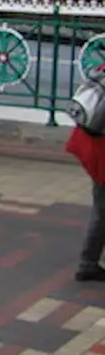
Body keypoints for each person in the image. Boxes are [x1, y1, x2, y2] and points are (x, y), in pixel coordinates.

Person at [67, 119, 105, 282]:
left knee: (101, 211)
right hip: (99, 152)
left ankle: (88, 263)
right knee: (102, 212)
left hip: (92, 147)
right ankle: (88, 264)